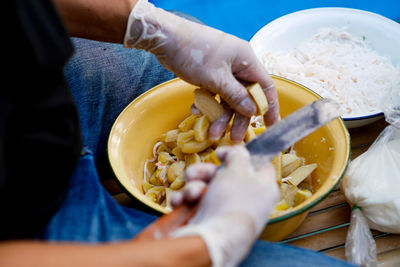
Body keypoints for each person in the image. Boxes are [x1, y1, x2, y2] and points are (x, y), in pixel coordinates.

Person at [2, 0, 357, 266]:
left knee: (189, 31)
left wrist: (152, 27)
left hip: (32, 112)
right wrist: (212, 242)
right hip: (31, 233)